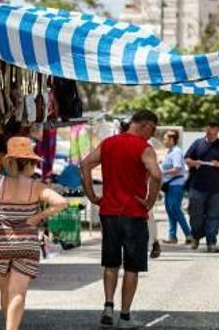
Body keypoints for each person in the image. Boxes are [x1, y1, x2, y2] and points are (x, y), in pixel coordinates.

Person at [81, 110, 162, 329]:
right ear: (145, 125)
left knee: (111, 263)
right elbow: (156, 175)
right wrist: (150, 201)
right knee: (132, 267)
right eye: (152, 130)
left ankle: (108, 307)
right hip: (134, 213)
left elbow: (85, 164)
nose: (151, 135)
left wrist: (91, 196)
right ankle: (125, 316)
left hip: (109, 212)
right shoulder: (144, 148)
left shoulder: (109, 143)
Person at [0, 137, 68, 330]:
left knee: (5, 292)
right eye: (33, 162)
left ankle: (10, 326)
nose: (34, 166)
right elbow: (61, 203)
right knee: (18, 292)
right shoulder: (36, 186)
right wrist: (37, 217)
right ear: (26, 163)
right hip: (26, 245)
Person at [184, 122, 219, 253]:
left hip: (218, 189)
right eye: (209, 133)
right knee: (195, 215)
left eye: (214, 134)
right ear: (205, 131)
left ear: (218, 132)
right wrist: (194, 163)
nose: (212, 136)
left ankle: (211, 242)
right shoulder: (197, 144)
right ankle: (196, 235)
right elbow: (187, 159)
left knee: (215, 216)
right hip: (197, 187)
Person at [160, 130, 192, 244]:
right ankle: (172, 236)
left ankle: (189, 234)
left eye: (166, 139)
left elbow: (177, 169)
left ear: (172, 139)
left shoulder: (176, 152)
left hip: (176, 185)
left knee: (175, 209)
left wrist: (161, 173)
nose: (164, 141)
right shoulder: (169, 152)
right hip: (169, 186)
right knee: (170, 210)